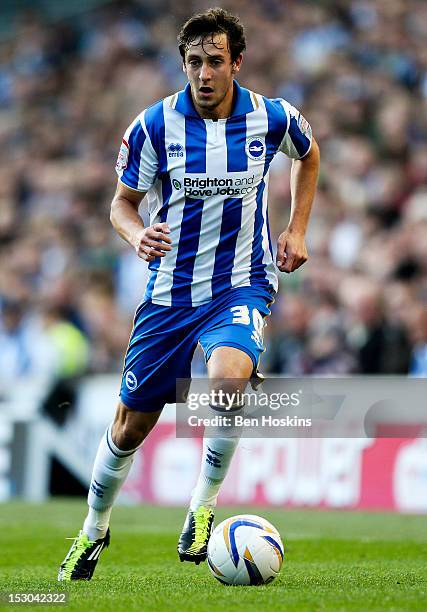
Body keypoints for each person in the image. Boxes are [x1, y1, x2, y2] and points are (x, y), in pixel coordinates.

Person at [58, 7, 319, 581]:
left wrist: (297, 228)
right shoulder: (153, 126)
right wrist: (136, 233)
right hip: (171, 292)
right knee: (130, 426)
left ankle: (201, 507)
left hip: (241, 283)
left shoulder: (270, 117)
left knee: (228, 381)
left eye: (215, 62)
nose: (203, 74)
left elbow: (309, 152)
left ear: (236, 63)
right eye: (194, 62)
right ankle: (93, 530)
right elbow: (121, 204)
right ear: (184, 63)